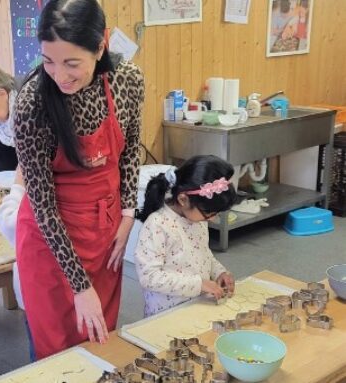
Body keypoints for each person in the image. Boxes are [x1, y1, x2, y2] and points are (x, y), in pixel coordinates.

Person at [14, 0, 144, 359]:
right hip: (50, 242)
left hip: (103, 232)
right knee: (56, 352)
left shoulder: (127, 80)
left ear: (101, 44)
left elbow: (132, 147)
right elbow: (42, 205)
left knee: (101, 344)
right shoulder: (31, 105)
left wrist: (128, 213)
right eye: (48, 61)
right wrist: (79, 285)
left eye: (72, 62)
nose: (60, 74)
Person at [134, 155, 238, 317]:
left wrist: (219, 272)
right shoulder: (158, 224)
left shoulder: (197, 219)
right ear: (183, 199)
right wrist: (200, 284)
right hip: (166, 315)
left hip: (196, 306)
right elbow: (150, 277)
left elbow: (202, 253)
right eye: (209, 213)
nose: (212, 219)